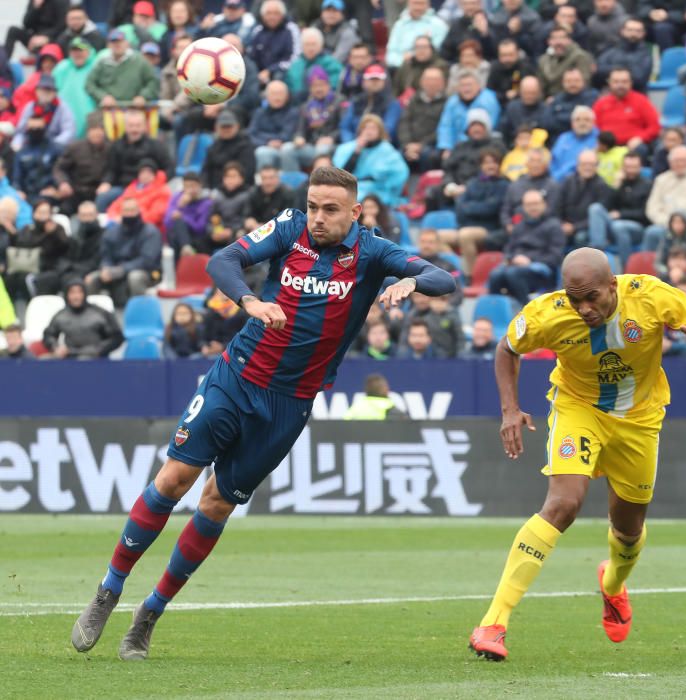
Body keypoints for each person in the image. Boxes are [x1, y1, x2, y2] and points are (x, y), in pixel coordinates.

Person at [70, 166, 455, 660]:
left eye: (330, 209)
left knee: (216, 505)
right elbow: (224, 259)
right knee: (173, 479)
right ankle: (110, 588)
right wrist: (249, 300)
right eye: (314, 205)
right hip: (237, 377)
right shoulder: (290, 227)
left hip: (288, 404)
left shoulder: (375, 253)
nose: (318, 217)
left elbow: (441, 276)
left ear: (356, 212)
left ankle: (150, 612)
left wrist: (413, 283)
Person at [469, 247, 686, 662]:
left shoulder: (651, 295)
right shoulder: (548, 313)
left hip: (640, 420)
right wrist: (510, 410)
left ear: (613, 284)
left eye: (593, 297)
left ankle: (612, 585)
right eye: (575, 299)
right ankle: (493, 623)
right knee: (563, 504)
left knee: (628, 526)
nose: (584, 308)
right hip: (579, 409)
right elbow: (507, 348)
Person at [489, 188, 565, 305]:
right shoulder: (519, 226)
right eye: (529, 204)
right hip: (516, 266)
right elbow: (509, 248)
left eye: (536, 203)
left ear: (544, 204)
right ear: (523, 207)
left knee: (513, 273)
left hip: (541, 271)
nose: (532, 207)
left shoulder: (554, 226)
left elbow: (555, 256)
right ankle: (497, 310)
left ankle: (525, 308)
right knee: (495, 275)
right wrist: (511, 259)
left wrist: (530, 261)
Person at [441, 148, 509, 278]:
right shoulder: (473, 183)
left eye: (493, 162)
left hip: (489, 229)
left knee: (465, 235)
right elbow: (460, 206)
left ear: (499, 165)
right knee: (437, 236)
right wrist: (475, 207)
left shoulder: (504, 185)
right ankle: (456, 269)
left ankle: (470, 275)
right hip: (465, 227)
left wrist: (470, 207)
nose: (490, 165)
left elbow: (491, 209)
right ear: (481, 166)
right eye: (486, 162)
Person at [85, 197, 161, 307]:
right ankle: (94, 315)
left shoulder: (150, 232)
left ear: (139, 211)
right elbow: (106, 255)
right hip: (115, 270)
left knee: (134, 277)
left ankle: (139, 311)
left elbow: (147, 260)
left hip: (150, 273)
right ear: (121, 212)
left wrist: (121, 270)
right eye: (126, 210)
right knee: (92, 279)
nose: (129, 214)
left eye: (132, 210)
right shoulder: (112, 232)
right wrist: (106, 268)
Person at [97, 109, 173, 212]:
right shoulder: (116, 146)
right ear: (125, 126)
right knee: (103, 198)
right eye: (131, 125)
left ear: (144, 126)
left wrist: (156, 182)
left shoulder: (155, 146)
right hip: (123, 188)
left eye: (138, 125)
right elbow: (111, 170)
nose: (134, 129)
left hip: (149, 189)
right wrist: (106, 183)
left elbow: (169, 168)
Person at [587, 152, 652, 268]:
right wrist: (615, 187)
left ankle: (626, 268)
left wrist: (621, 214)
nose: (630, 170)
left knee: (619, 226)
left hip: (637, 228)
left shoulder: (647, 185)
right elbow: (606, 205)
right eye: (627, 167)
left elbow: (646, 214)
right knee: (595, 208)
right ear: (623, 168)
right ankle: (598, 251)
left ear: (640, 167)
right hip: (614, 224)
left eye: (634, 167)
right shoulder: (620, 183)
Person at [332, 114, 409, 207]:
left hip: (379, 189)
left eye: (373, 128)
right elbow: (342, 174)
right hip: (353, 188)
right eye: (366, 128)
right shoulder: (347, 148)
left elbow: (400, 173)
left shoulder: (387, 150)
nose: (369, 132)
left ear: (379, 132)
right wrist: (357, 151)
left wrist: (382, 180)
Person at [42, 280, 124, 359]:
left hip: (96, 357)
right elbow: (48, 335)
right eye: (72, 292)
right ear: (67, 295)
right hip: (69, 356)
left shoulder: (100, 313)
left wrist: (100, 350)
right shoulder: (61, 315)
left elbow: (116, 337)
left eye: (79, 292)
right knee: (44, 360)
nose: (76, 296)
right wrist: (55, 347)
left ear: (85, 294)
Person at [593, 68, 660, 157]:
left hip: (632, 147)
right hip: (607, 147)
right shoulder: (600, 104)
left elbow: (654, 126)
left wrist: (640, 138)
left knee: (641, 149)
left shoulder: (641, 101)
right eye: (616, 82)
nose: (620, 85)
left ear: (630, 83)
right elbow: (593, 128)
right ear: (609, 83)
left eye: (624, 82)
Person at [553, 149, 613, 249]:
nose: (587, 167)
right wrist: (562, 224)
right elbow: (557, 206)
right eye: (584, 164)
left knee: (580, 237)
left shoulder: (602, 186)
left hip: (586, 228)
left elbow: (598, 219)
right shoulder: (567, 181)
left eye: (591, 164)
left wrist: (574, 227)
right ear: (577, 165)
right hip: (565, 225)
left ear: (597, 166)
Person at [85, 29, 159, 108]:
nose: (117, 45)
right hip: (108, 110)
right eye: (113, 42)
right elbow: (89, 84)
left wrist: (143, 96)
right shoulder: (102, 63)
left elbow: (153, 81)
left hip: (135, 110)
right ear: (108, 45)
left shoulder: (139, 60)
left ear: (127, 43)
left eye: (120, 41)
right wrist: (103, 97)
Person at [436, 70, 501, 155]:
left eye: (469, 85)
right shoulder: (452, 102)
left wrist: (462, 147)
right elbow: (446, 126)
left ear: (478, 86)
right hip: (455, 146)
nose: (466, 88)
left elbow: (488, 128)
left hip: (482, 145)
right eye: (463, 85)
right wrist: (445, 148)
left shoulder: (488, 100)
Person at [397, 66, 447, 172]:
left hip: (432, 145)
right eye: (428, 79)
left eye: (435, 80)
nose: (431, 83)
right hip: (410, 144)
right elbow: (404, 123)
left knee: (428, 155)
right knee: (396, 155)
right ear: (422, 82)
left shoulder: (447, 102)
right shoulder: (414, 100)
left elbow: (443, 129)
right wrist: (407, 145)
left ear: (443, 83)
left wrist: (421, 145)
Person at [500, 147, 560, 234]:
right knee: (490, 240)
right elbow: (505, 209)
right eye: (532, 160)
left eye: (539, 161)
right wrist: (508, 224)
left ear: (546, 165)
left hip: (540, 229)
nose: (535, 165)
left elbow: (552, 212)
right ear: (526, 163)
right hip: (514, 229)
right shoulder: (516, 184)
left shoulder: (552, 186)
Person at [340, 63, 402, 144]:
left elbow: (388, 129)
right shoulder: (356, 100)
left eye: (378, 79)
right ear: (364, 81)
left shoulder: (392, 103)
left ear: (384, 82)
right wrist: (351, 142)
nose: (374, 82)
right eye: (371, 79)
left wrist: (369, 142)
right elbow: (345, 127)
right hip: (354, 143)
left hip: (379, 146)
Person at [106, 159, 172, 233]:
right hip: (124, 225)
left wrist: (127, 218)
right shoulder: (132, 187)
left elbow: (155, 216)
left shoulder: (162, 191)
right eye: (142, 172)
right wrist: (114, 217)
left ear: (154, 174)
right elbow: (115, 205)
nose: (145, 175)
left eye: (149, 172)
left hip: (147, 230)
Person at [52, 37, 98, 139]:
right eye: (74, 50)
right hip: (64, 124)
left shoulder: (97, 66)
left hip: (91, 123)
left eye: (81, 50)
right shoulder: (62, 67)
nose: (77, 54)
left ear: (89, 51)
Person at [201, 109, 256, 192]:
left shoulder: (246, 146)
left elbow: (247, 174)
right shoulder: (213, 147)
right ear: (216, 128)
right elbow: (205, 170)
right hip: (213, 190)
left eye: (229, 126)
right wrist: (206, 188)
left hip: (239, 191)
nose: (226, 129)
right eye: (223, 126)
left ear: (237, 126)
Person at [247, 0, 300, 84]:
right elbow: (251, 56)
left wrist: (270, 70)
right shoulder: (258, 30)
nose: (272, 17)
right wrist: (257, 73)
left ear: (282, 15)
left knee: (279, 76)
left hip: (281, 73)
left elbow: (295, 57)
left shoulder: (291, 29)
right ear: (263, 16)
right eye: (268, 13)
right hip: (259, 74)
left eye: (276, 13)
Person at [386, 0, 449, 69]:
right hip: (400, 68)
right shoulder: (399, 25)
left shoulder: (439, 25)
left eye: (421, 3)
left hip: (428, 68)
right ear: (408, 4)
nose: (417, 7)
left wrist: (413, 57)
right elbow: (390, 55)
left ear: (428, 5)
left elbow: (437, 52)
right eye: (415, 3)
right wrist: (402, 61)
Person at [536, 25, 594, 100]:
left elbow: (584, 83)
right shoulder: (543, 60)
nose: (558, 42)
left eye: (562, 38)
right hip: (548, 101)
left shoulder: (579, 57)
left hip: (572, 99)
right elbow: (541, 86)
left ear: (569, 40)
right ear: (549, 41)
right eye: (554, 38)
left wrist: (557, 100)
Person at [285, 27, 343, 101]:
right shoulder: (295, 65)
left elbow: (335, 84)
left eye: (313, 44)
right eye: (307, 44)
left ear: (320, 45)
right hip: (296, 104)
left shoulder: (331, 63)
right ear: (302, 46)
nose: (310, 48)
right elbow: (288, 85)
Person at [595, 18, 652, 93]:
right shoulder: (611, 51)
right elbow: (597, 71)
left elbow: (639, 79)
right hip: (609, 95)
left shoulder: (645, 55)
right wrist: (622, 67)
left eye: (637, 31)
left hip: (636, 96)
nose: (633, 34)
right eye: (630, 30)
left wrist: (613, 70)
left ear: (643, 33)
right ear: (622, 31)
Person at [165, 171, 213, 258]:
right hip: (180, 237)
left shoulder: (206, 203)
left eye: (193, 186)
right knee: (174, 233)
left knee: (179, 225)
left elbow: (200, 228)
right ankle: (186, 248)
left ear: (200, 185)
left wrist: (184, 216)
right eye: (186, 186)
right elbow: (167, 223)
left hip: (198, 237)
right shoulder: (177, 198)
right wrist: (180, 206)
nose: (190, 190)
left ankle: (186, 248)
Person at [544, 67, 598, 138]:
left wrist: (559, 118)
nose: (572, 84)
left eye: (576, 81)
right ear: (563, 83)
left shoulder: (592, 96)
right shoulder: (557, 99)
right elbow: (547, 122)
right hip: (558, 139)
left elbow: (585, 121)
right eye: (568, 81)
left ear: (583, 81)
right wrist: (572, 119)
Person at [550, 106, 599, 182]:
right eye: (577, 120)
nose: (582, 123)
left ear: (593, 122)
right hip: (560, 182)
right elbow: (553, 163)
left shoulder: (599, 139)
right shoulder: (563, 138)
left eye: (586, 120)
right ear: (572, 123)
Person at [499, 75, 547, 147]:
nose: (529, 96)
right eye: (526, 93)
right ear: (520, 92)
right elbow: (504, 132)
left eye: (532, 93)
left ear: (539, 92)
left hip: (537, 151)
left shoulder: (545, 110)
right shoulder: (512, 108)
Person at [486, 38, 535, 108]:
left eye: (510, 55)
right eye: (504, 55)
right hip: (499, 105)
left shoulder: (525, 68)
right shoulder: (495, 68)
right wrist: (505, 95)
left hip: (522, 106)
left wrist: (517, 94)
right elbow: (489, 92)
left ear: (517, 54)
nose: (507, 59)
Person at [313, 0, 359, 65]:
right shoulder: (315, 27)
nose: (331, 14)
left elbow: (337, 59)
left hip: (340, 70)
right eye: (328, 10)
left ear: (342, 13)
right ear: (322, 13)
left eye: (335, 11)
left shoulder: (348, 32)